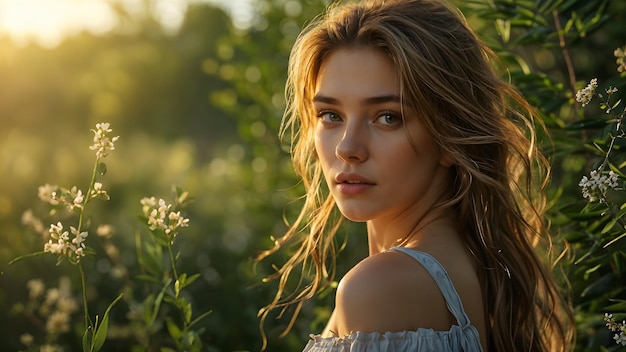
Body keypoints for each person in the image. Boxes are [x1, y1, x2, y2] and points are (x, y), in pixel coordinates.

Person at [257, 0, 574, 351]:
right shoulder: (472, 267)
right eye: (330, 115)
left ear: (450, 139)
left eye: (388, 117)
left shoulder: (383, 287)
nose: (347, 147)